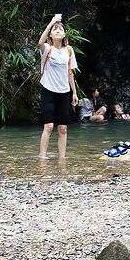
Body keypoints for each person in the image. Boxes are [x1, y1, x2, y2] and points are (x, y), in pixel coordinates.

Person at [37, 14, 79, 159]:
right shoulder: (47, 49)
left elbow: (70, 72)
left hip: (64, 92)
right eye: (55, 29)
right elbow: (40, 41)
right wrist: (52, 22)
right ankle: (43, 157)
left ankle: (62, 159)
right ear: (51, 34)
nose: (57, 31)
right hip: (48, 90)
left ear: (64, 34)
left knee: (63, 128)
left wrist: (74, 93)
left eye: (60, 29)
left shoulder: (69, 50)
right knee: (48, 126)